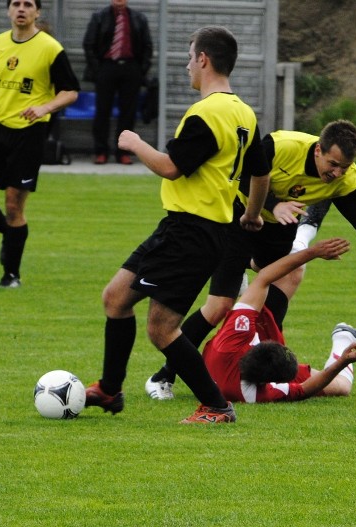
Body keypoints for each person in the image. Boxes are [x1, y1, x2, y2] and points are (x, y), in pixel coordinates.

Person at [82, 25, 271, 425]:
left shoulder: (206, 113)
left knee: (162, 329)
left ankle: (217, 407)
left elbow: (170, 167)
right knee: (115, 298)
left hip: (193, 232)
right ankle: (111, 391)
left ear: (203, 59)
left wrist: (135, 143)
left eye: (190, 58)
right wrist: (252, 214)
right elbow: (261, 172)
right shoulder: (243, 113)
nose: (188, 66)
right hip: (184, 227)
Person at [144, 120, 356, 400]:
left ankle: (266, 363)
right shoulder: (282, 146)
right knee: (220, 305)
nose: (338, 172)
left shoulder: (347, 178)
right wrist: (272, 205)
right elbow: (239, 175)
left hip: (279, 228)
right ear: (318, 150)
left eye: (344, 167)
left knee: (290, 277)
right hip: (239, 217)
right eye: (333, 163)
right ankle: (164, 375)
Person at [0, 0, 80, 288]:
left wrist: (44, 108)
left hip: (29, 134)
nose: (21, 8)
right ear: (8, 10)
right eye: (16, 3)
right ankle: (11, 235)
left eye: (28, 4)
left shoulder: (50, 48)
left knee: (14, 206)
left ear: (37, 12)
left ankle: (11, 274)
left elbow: (71, 92)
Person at [204, 237, 356, 403]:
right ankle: (344, 336)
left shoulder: (233, 338)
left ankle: (300, 235)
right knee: (341, 388)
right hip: (241, 357)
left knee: (290, 273)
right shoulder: (256, 394)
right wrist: (343, 361)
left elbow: (263, 278)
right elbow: (305, 389)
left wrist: (314, 252)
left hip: (232, 347)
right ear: (268, 383)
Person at [83, 0, 153, 165]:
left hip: (131, 68)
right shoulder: (99, 17)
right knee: (102, 111)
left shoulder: (139, 18)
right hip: (106, 67)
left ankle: (123, 152)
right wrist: (98, 70)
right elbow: (88, 44)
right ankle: (101, 151)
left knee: (128, 112)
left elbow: (147, 46)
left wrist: (140, 69)